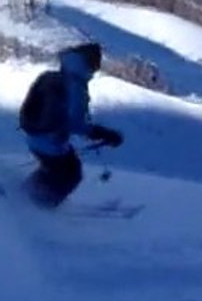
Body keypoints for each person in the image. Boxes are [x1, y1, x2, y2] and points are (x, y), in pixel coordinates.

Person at [18, 42, 124, 208]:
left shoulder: (52, 76)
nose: (95, 70)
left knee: (55, 169)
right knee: (70, 174)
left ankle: (22, 196)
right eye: (95, 65)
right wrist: (104, 133)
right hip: (50, 142)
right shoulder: (75, 87)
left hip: (34, 135)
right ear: (89, 64)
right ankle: (37, 207)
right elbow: (75, 124)